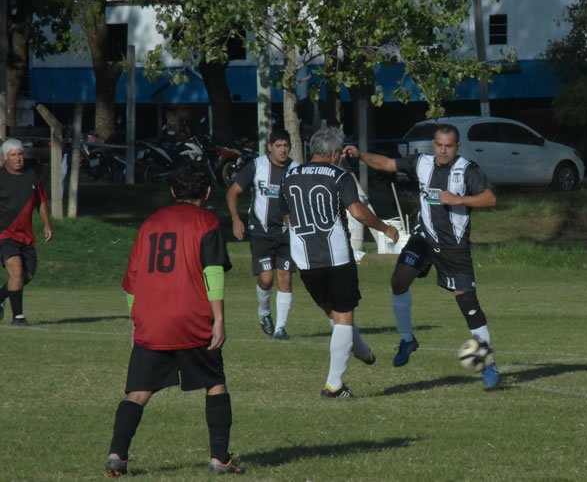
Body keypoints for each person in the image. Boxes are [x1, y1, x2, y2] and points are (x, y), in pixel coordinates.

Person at [104, 163, 243, 476]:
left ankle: (117, 454)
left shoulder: (150, 223)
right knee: (215, 383)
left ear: (172, 191)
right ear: (207, 192)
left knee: (138, 392)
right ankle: (219, 458)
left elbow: (132, 280)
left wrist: (135, 321)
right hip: (191, 318)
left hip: (151, 318)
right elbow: (213, 270)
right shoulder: (206, 220)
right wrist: (218, 318)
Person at [343, 123, 501, 387]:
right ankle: (407, 340)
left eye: (448, 146)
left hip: (454, 247)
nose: (442, 150)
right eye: (438, 145)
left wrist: (458, 200)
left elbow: (490, 198)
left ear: (457, 147)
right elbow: (386, 163)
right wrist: (360, 155)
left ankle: (488, 362)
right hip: (424, 238)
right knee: (398, 281)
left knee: (468, 305)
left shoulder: (466, 170)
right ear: (433, 144)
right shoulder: (422, 163)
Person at [280, 128, 399, 398]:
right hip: (336, 257)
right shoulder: (339, 175)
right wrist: (384, 228)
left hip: (305, 260)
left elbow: (286, 216)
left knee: (334, 314)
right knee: (344, 316)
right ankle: (334, 385)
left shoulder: (289, 176)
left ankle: (361, 350)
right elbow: (357, 211)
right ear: (334, 154)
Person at [226, 130, 298, 339]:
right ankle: (264, 312)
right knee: (266, 279)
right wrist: (236, 220)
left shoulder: (295, 170)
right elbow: (233, 192)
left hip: (287, 234)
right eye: (279, 146)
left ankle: (280, 328)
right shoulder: (257, 166)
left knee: (285, 277)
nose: (283, 149)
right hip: (261, 233)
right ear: (270, 147)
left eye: (286, 145)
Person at [0, 138, 52, 327]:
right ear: (5, 158)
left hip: (26, 236)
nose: (18, 158)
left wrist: (47, 224)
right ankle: (18, 318)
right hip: (4, 236)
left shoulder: (32, 176)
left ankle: (1, 296)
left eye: (20, 154)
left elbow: (41, 202)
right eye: (13, 155)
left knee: (26, 276)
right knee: (17, 271)